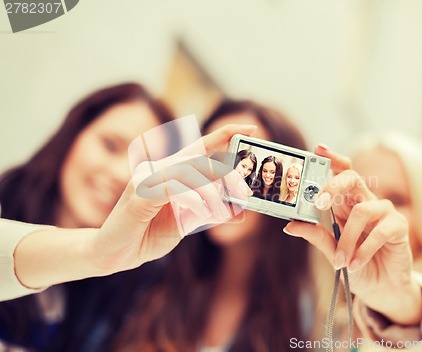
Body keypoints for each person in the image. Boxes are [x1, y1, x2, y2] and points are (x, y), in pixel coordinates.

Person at [0, 84, 255, 351]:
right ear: (74, 134)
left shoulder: (110, 300)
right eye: (110, 145)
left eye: (142, 168)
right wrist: (96, 251)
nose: (122, 174)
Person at [110, 99, 315, 352]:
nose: (221, 180)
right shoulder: (154, 266)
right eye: (213, 159)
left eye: (244, 168)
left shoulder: (296, 314)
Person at [284, 132, 422, 350]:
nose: (372, 211)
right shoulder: (324, 302)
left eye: (397, 200)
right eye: (358, 198)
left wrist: (404, 303)